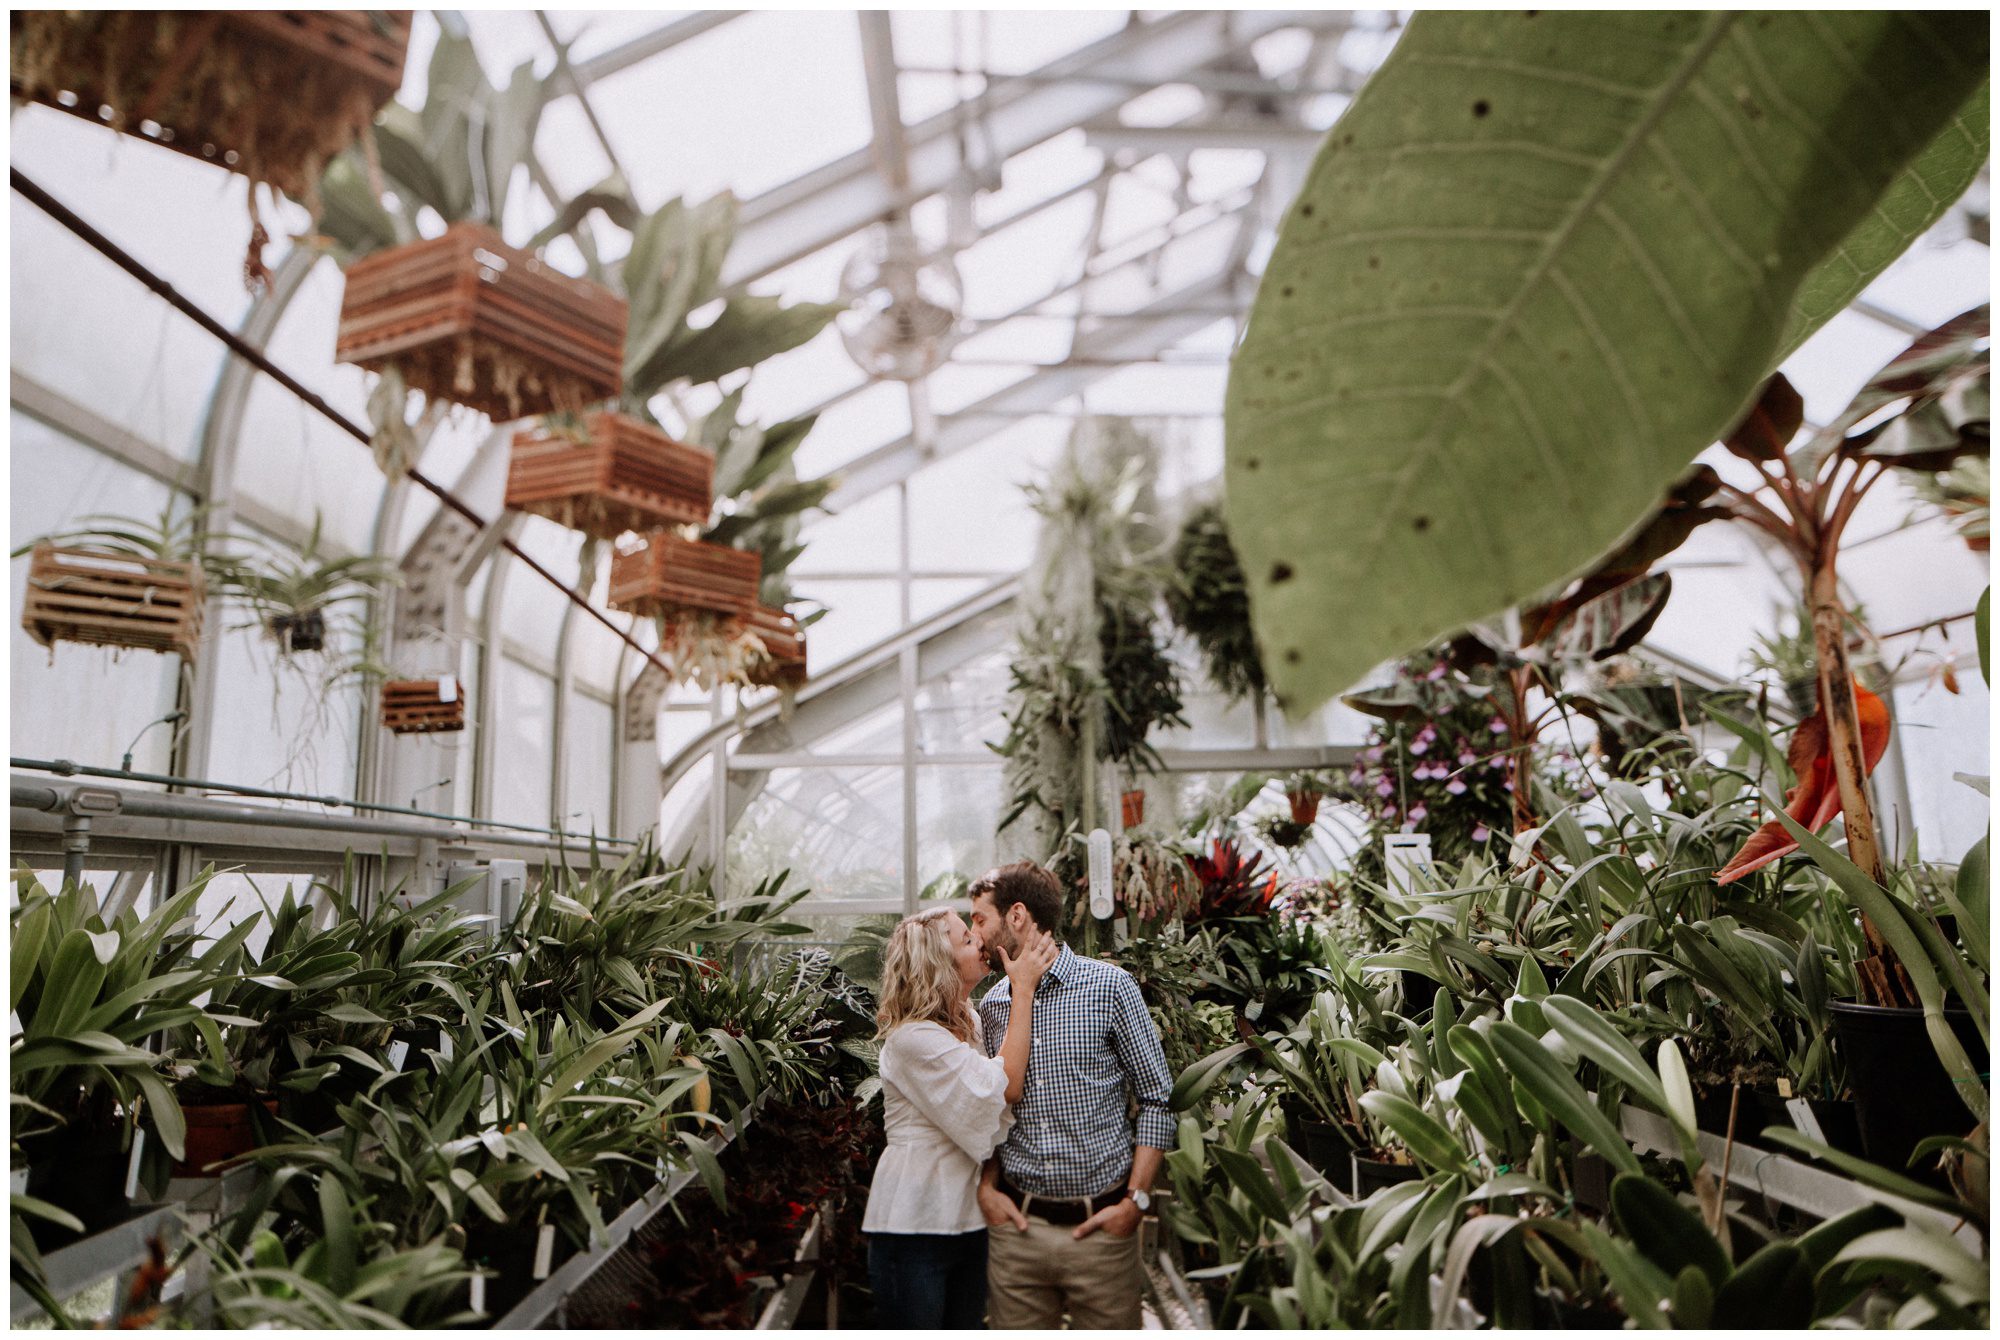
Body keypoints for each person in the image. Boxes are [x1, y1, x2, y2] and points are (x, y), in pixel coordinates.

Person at [968, 861, 1174, 1330]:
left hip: (1102, 1232)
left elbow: (1156, 1098)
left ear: (1016, 915)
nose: (973, 930)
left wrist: (1135, 1203)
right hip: (1017, 1232)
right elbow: (993, 1107)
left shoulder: (1109, 987)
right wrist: (986, 1187)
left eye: (980, 917)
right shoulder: (995, 1003)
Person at [862, 905, 1058, 1329]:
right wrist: (1022, 990)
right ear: (940, 964)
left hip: (967, 1220)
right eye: (967, 940)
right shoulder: (912, 1039)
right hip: (914, 1224)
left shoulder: (969, 1019)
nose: (980, 941)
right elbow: (1004, 1089)